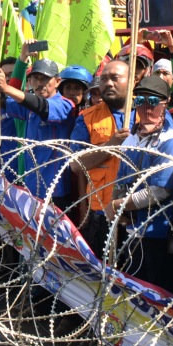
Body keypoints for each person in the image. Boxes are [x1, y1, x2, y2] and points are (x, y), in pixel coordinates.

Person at [106, 75, 173, 289]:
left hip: (156, 233)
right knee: (129, 285)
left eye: (152, 102)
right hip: (130, 228)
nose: (146, 109)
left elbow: (160, 191)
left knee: (153, 290)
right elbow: (121, 181)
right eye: (140, 102)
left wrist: (119, 204)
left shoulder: (171, 141)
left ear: (164, 104)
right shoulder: (132, 138)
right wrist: (116, 206)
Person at [0, 55, 75, 206]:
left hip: (55, 191)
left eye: (44, 79)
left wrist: (6, 87)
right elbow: (0, 98)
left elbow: (41, 106)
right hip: (31, 188)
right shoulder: (29, 109)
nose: (39, 83)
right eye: (35, 79)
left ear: (57, 81)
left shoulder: (65, 104)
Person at [71, 60, 132, 253]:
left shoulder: (148, 113)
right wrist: (111, 145)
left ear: (131, 81)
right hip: (100, 210)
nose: (108, 83)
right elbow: (76, 164)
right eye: (104, 79)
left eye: (115, 78)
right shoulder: (87, 117)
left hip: (137, 210)